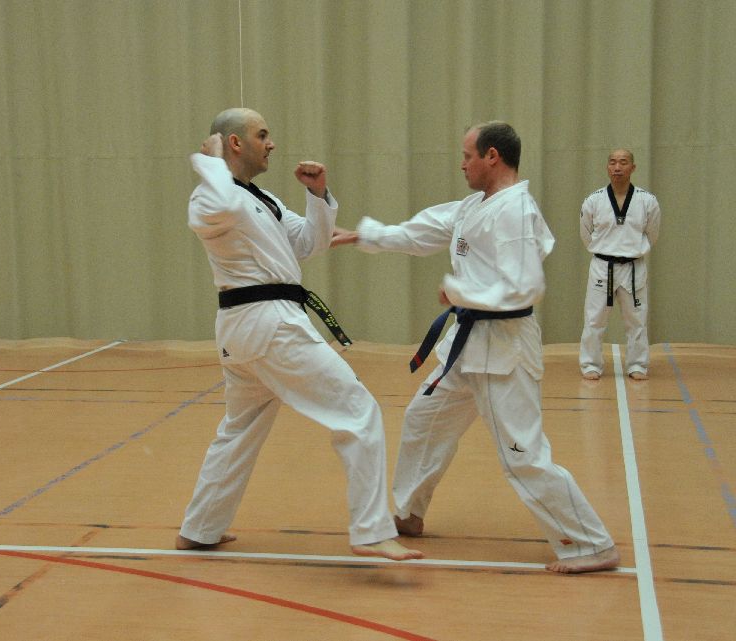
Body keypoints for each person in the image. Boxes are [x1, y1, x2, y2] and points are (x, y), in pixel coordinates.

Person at [332, 121, 619, 573]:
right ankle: (409, 512)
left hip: (504, 349)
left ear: (492, 157)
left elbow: (526, 287)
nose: (462, 164)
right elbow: (423, 231)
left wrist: (460, 292)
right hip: (466, 347)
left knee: (522, 456)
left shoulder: (514, 211)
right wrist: (365, 235)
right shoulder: (475, 205)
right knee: (424, 420)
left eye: (468, 156)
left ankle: (591, 543)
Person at [176, 107, 422, 562]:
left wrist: (318, 195)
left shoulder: (261, 198)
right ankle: (370, 531)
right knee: (358, 410)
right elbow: (222, 204)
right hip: (268, 323)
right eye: (262, 135)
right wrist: (208, 162)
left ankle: (200, 527)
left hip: (254, 328)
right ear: (235, 143)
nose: (271, 143)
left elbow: (309, 243)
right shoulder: (209, 196)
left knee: (240, 429)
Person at [579, 148, 661, 381]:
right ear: (607, 167)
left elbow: (652, 234)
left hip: (633, 267)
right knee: (594, 319)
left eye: (623, 162)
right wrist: (605, 251)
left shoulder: (647, 201)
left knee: (637, 320)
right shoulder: (594, 200)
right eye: (613, 162)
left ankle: (637, 364)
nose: (617, 167)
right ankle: (591, 364)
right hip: (602, 266)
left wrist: (632, 251)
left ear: (632, 167)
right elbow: (586, 234)